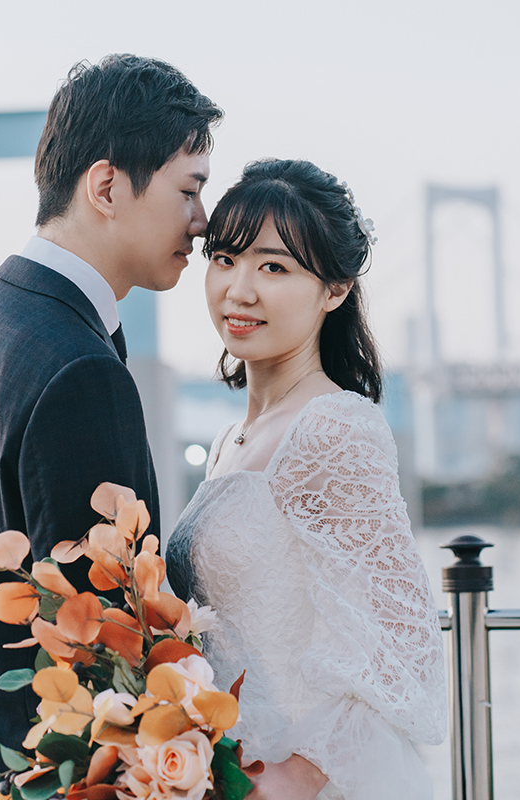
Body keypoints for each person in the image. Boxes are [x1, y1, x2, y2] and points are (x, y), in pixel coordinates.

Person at [0, 55, 221, 798]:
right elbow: (107, 647)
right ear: (106, 186)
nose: (202, 221)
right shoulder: (81, 369)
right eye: (189, 190)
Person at [166, 159, 448, 800]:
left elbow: (403, 637)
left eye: (274, 267)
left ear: (336, 290)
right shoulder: (227, 443)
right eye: (225, 257)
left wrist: (304, 773)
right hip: (230, 770)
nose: (238, 290)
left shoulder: (332, 429)